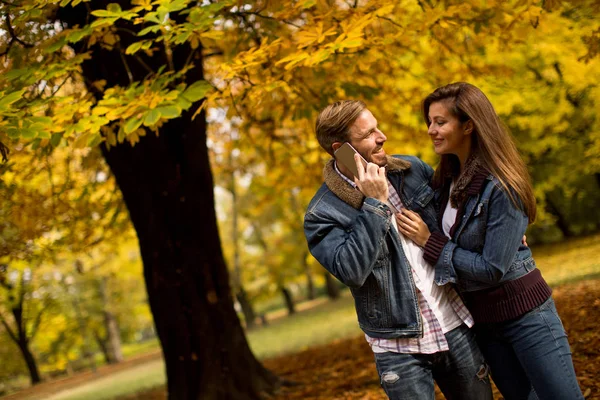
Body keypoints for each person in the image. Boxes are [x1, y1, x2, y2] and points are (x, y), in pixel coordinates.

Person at [397, 82, 584, 400]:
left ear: (468, 124)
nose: (431, 130)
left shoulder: (501, 186)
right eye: (429, 121)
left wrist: (431, 242)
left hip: (527, 316)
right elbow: (405, 170)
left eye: (440, 122)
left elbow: (492, 267)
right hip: (484, 323)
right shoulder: (446, 182)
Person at [303, 100, 492, 400]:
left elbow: (458, 215)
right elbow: (351, 271)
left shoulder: (411, 169)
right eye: (369, 134)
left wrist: (500, 228)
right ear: (340, 148)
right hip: (397, 346)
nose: (382, 137)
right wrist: (375, 205)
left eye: (378, 127)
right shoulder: (322, 213)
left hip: (452, 322)